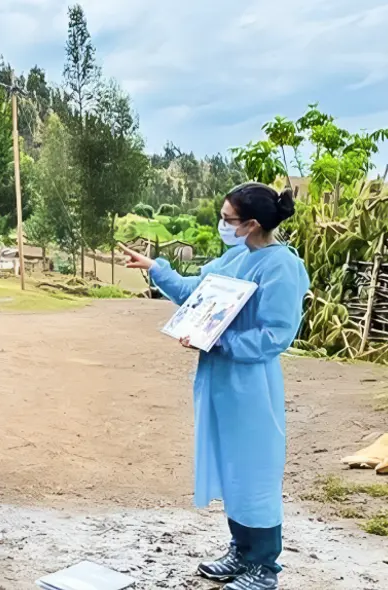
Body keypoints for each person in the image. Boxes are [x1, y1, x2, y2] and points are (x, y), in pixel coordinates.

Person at [120, 182, 309, 590]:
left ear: (252, 224)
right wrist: (156, 269)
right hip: (219, 378)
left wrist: (222, 340)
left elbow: (276, 334)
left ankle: (264, 567)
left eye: (228, 220)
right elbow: (194, 294)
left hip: (251, 384)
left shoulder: (281, 267)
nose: (222, 225)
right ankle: (242, 551)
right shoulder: (237, 257)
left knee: (255, 469)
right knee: (231, 467)